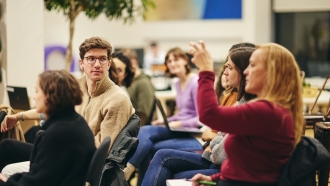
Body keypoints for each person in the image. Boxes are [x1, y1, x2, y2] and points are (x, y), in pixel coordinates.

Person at [0, 37, 134, 178]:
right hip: (61, 148)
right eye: (91, 59)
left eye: (102, 59)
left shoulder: (118, 99)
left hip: (73, 159)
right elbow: (51, 108)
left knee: (9, 170)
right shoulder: (74, 85)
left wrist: (64, 142)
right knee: (7, 146)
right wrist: (18, 117)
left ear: (108, 64)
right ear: (81, 63)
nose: (97, 64)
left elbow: (102, 150)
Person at [189, 41, 304, 186]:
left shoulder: (266, 111)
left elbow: (208, 114)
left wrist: (206, 70)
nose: (245, 71)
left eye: (253, 65)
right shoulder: (268, 109)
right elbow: (248, 167)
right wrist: (214, 178)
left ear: (271, 72)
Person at [140, 47, 256, 186]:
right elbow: (220, 135)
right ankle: (124, 169)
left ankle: (124, 169)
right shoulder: (239, 100)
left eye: (229, 68)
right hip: (211, 153)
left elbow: (206, 121)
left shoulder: (247, 107)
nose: (224, 72)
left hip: (198, 138)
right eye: (169, 61)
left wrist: (215, 141)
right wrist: (169, 121)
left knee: (152, 141)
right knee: (151, 138)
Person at [0, 70, 96, 186]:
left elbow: (34, 183)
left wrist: (6, 181)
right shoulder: (75, 121)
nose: (34, 97)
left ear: (50, 96)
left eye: (37, 92)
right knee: (7, 146)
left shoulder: (56, 134)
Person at [124, 47, 202, 185]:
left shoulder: (195, 82)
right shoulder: (177, 83)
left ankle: (127, 169)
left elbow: (200, 118)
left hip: (194, 134)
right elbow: (183, 114)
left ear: (185, 61)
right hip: (181, 129)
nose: (172, 63)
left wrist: (175, 124)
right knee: (148, 145)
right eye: (169, 60)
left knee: (146, 131)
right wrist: (166, 120)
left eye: (176, 59)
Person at [119, 48, 155, 126]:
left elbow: (143, 117)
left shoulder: (144, 83)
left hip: (134, 130)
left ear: (133, 62)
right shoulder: (126, 82)